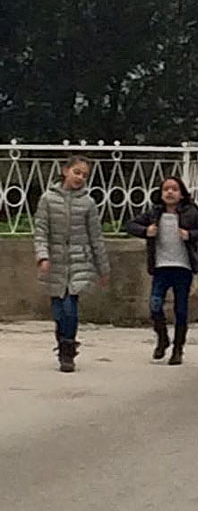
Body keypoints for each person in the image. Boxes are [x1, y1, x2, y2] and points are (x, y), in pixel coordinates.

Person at [126, 177, 198, 365]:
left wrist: (190, 235)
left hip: (183, 267)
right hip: (160, 267)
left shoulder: (190, 212)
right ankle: (162, 338)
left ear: (181, 193)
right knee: (155, 305)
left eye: (174, 189)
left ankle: (178, 349)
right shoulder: (154, 213)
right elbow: (131, 225)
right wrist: (146, 231)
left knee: (181, 309)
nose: (170, 193)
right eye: (166, 189)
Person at [34, 155, 110, 373]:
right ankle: (62, 342)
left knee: (71, 309)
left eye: (84, 175)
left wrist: (102, 268)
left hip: (79, 262)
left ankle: (68, 351)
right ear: (65, 171)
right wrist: (43, 256)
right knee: (58, 312)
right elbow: (40, 232)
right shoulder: (48, 199)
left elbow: (96, 237)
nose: (80, 178)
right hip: (55, 263)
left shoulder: (88, 203)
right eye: (77, 172)